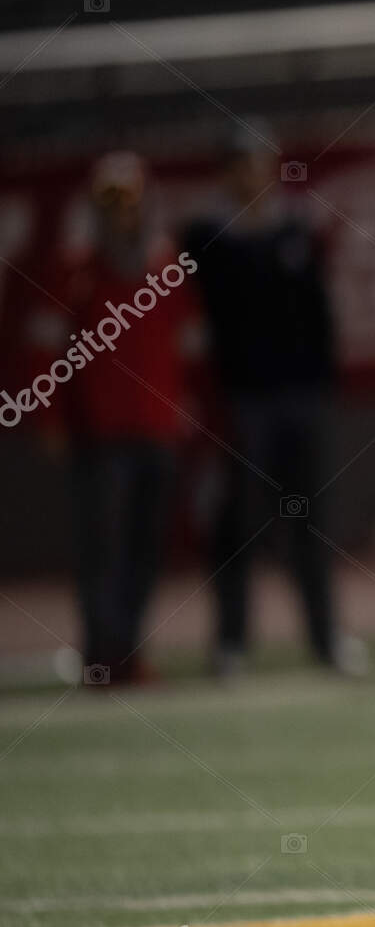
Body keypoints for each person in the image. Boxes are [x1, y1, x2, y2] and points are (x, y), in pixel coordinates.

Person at [183, 129, 358, 677]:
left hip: (302, 399)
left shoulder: (299, 230)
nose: (248, 175)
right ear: (225, 172)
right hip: (242, 402)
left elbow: (320, 315)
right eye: (237, 164)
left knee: (311, 521)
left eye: (256, 162)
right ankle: (230, 644)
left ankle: (326, 640)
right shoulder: (205, 239)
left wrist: (324, 384)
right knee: (238, 523)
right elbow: (194, 326)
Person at [29, 153, 202, 686]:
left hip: (155, 430)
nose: (121, 210)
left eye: (128, 198)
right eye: (110, 200)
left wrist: (186, 406)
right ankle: (100, 660)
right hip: (98, 434)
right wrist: (51, 418)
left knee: (146, 548)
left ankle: (130, 653)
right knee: (101, 547)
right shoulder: (73, 266)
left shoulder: (164, 263)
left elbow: (188, 345)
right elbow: (43, 350)